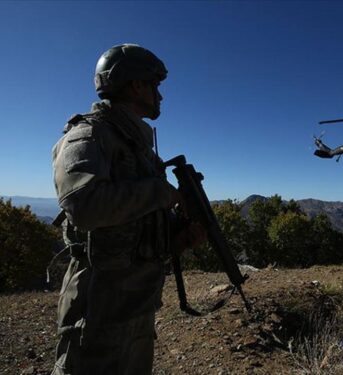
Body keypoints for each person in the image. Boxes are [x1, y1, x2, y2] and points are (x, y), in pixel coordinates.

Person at [51, 44, 203, 375]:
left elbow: (135, 224)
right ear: (136, 85)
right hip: (98, 312)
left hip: (136, 306)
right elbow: (85, 206)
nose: (160, 96)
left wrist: (179, 235)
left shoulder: (140, 149)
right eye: (155, 86)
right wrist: (161, 192)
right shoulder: (87, 136)